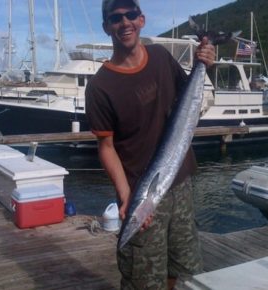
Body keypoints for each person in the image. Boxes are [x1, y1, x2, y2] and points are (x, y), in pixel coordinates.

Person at [85, 0, 215, 289]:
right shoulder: (100, 86)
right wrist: (126, 196)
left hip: (180, 183)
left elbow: (188, 100)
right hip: (139, 193)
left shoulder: (161, 57)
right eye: (115, 18)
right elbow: (106, 147)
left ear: (141, 20)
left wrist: (204, 63)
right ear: (107, 27)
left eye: (130, 15)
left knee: (179, 267)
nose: (125, 22)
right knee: (144, 279)